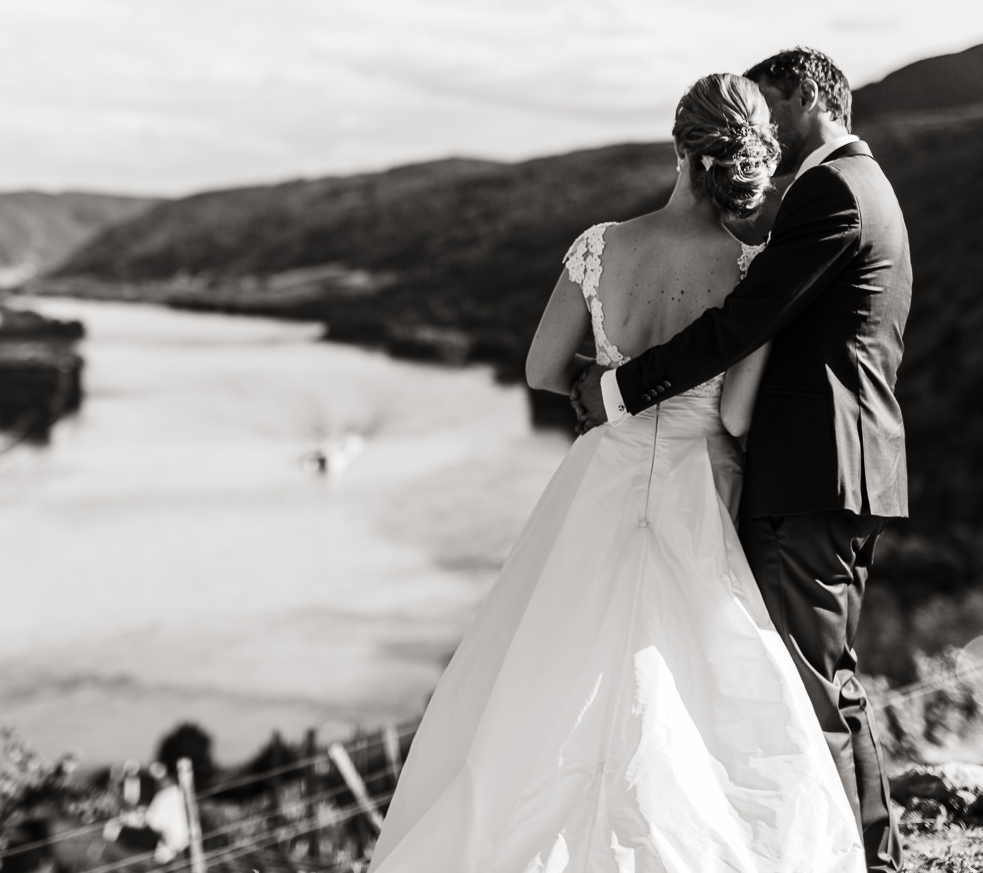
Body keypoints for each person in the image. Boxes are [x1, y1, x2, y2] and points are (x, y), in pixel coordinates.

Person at [370, 72, 866, 873]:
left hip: (602, 474)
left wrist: (605, 387)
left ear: (680, 148)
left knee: (556, 667)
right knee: (692, 683)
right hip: (700, 485)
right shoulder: (753, 269)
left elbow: (539, 368)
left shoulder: (600, 246)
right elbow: (737, 415)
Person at [573, 47, 909, 871]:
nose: (760, 131)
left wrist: (620, 389)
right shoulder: (863, 185)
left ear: (804, 96)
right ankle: (874, 855)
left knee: (804, 692)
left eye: (767, 107)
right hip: (840, 469)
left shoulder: (833, 191)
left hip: (811, 472)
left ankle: (850, 860)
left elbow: (746, 320)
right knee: (827, 679)